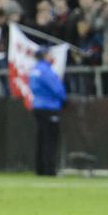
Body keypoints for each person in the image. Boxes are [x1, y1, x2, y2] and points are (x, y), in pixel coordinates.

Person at [30, 47, 66, 176]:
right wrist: (64, 99)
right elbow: (57, 89)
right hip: (49, 107)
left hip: (37, 106)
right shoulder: (46, 71)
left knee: (41, 139)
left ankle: (40, 169)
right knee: (50, 140)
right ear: (44, 56)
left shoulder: (34, 70)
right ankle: (49, 170)